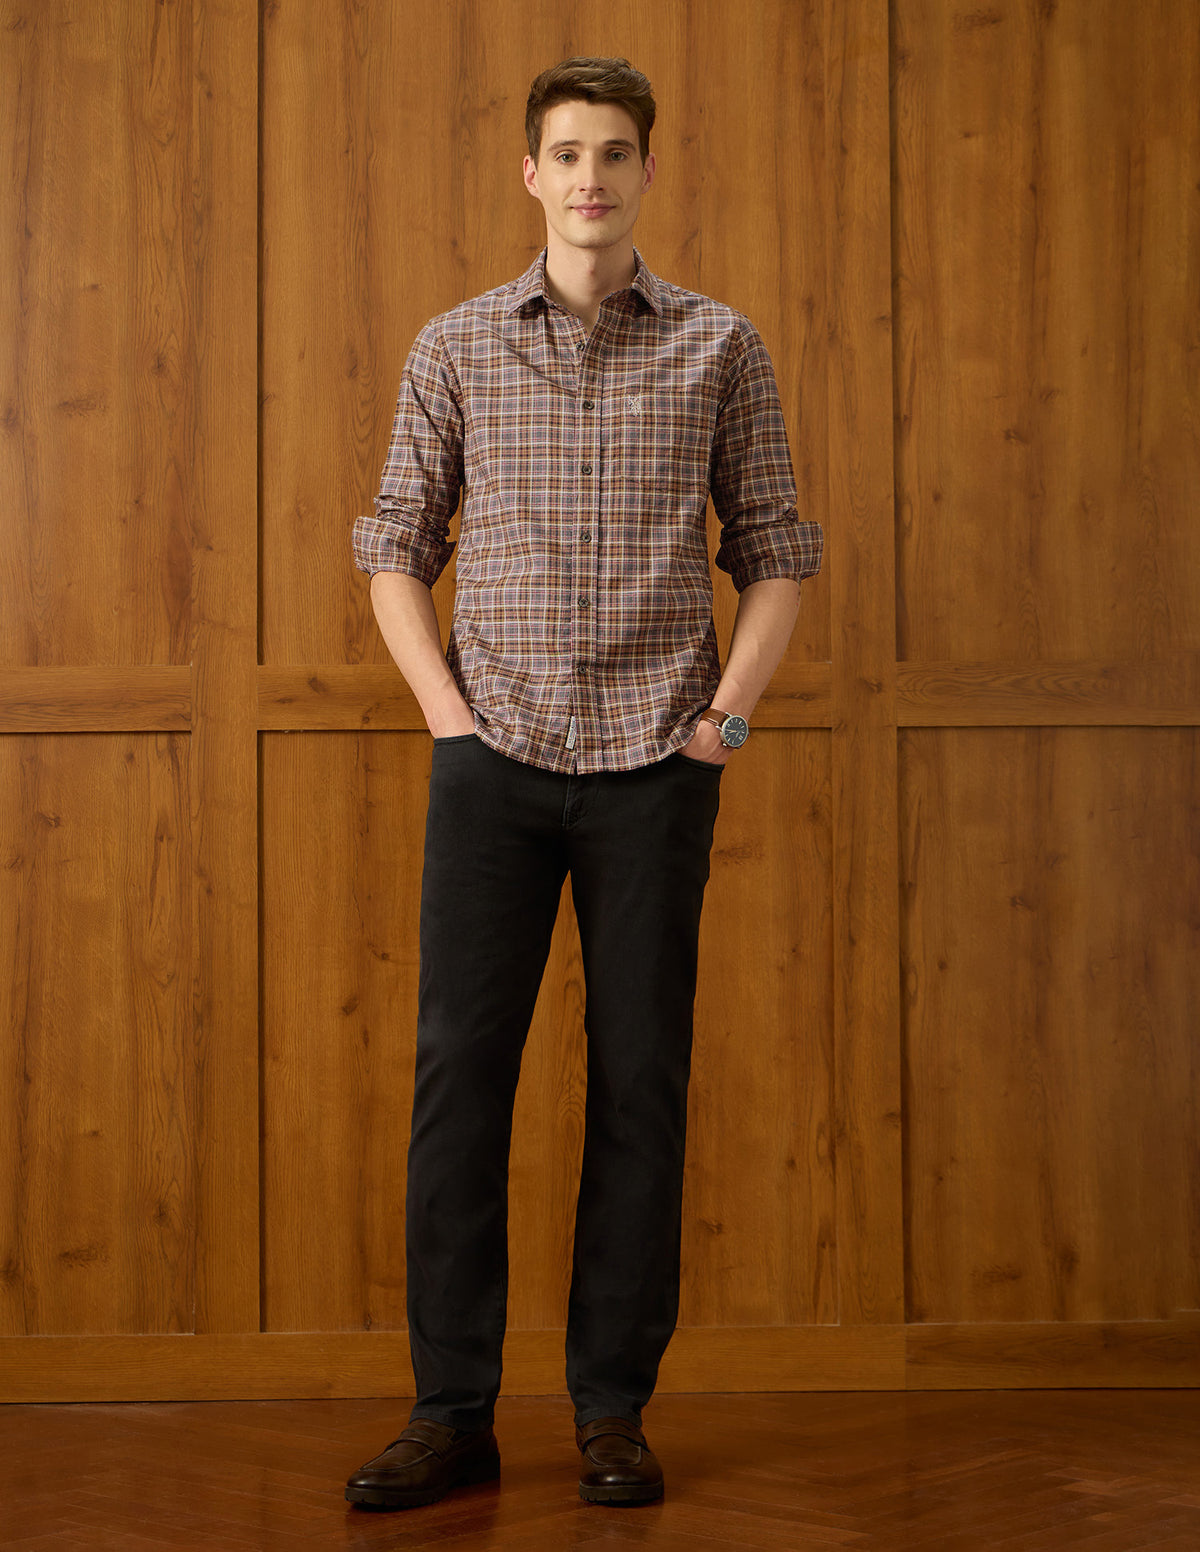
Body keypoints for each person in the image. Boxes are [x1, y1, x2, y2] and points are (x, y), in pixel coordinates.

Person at [344, 56, 823, 1512]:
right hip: (491, 761)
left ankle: (612, 1411)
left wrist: (724, 723)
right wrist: (447, 718)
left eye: (615, 152)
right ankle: (450, 1415)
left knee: (639, 1088)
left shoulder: (721, 346)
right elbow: (393, 544)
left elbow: (778, 551)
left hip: (655, 768)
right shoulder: (456, 345)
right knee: (458, 1086)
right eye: (567, 153)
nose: (591, 176)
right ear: (532, 175)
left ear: (646, 173)